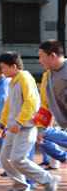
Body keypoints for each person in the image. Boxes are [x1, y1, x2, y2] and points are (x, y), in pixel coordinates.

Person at [0, 52, 59, 191]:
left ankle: (48, 179)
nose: (2, 71)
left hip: (25, 126)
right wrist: (2, 122)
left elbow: (31, 102)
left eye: (3, 68)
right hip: (13, 127)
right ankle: (22, 189)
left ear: (14, 66)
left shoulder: (25, 78)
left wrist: (19, 121)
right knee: (5, 159)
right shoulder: (13, 81)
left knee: (18, 159)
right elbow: (8, 104)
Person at [37, 40, 67, 169]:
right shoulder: (47, 76)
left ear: (52, 56)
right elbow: (45, 104)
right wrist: (40, 127)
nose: (39, 60)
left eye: (41, 56)